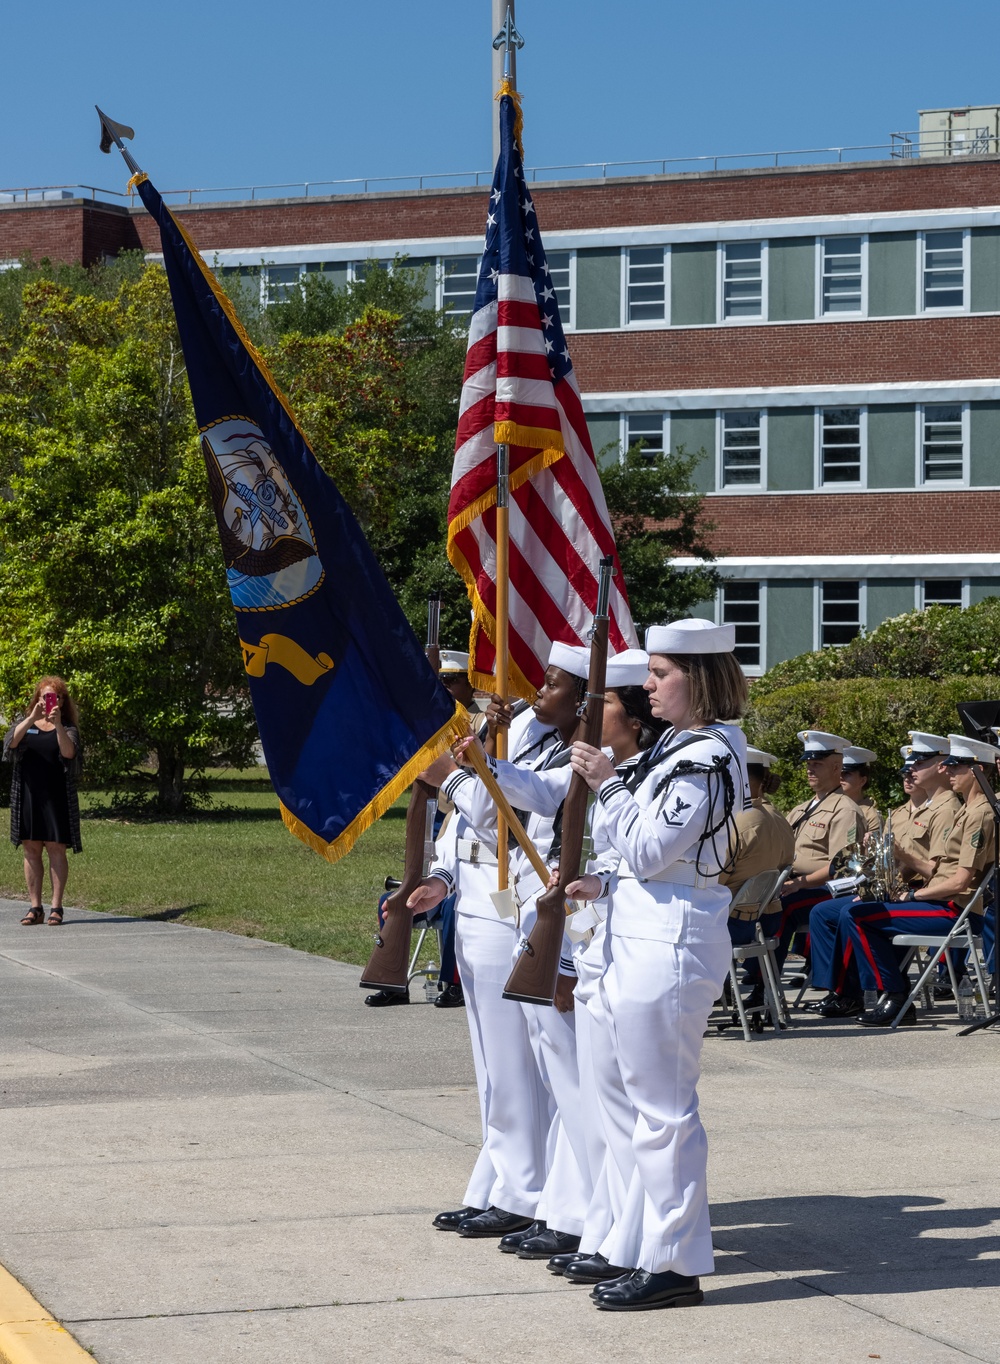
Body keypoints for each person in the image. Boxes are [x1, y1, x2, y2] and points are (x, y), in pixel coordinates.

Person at [563, 617, 749, 1311]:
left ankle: (673, 1265)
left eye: (661, 674)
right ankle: (640, 1242)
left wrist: (608, 785)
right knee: (625, 1099)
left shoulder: (705, 756)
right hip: (637, 929)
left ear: (697, 680)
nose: (648, 685)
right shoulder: (678, 749)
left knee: (663, 1110)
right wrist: (603, 883)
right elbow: (639, 863)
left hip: (669, 940)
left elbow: (650, 852)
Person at [842, 732, 996, 1028]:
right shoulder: (968, 809)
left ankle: (895, 996)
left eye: (956, 766)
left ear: (977, 769)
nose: (948, 771)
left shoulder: (979, 815)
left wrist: (912, 897)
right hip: (944, 903)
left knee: (858, 916)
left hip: (955, 910)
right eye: (949, 765)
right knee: (860, 910)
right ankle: (893, 992)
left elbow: (960, 882)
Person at [774, 731, 862, 974]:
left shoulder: (845, 810)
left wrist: (800, 883)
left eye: (817, 764)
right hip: (794, 882)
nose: (810, 769)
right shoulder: (802, 809)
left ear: (836, 767)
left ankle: (764, 984)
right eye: (808, 764)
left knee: (782, 907)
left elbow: (842, 867)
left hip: (825, 889)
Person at [3, 676, 82, 926]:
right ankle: (35, 907)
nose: (51, 701)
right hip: (28, 796)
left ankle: (56, 907)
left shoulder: (68, 727)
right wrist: (31, 718)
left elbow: (69, 753)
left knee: (56, 849)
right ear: (37, 698)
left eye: (56, 697)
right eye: (46, 696)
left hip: (56, 797)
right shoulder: (25, 723)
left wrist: (56, 724)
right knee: (31, 849)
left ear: (62, 701)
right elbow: (10, 746)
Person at [840, 746, 881, 837]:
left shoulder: (871, 816)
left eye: (847, 773)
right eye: (839, 773)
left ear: (862, 781)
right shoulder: (831, 806)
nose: (841, 777)